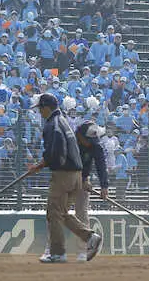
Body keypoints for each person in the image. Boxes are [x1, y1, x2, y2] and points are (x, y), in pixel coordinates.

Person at [28, 93, 101, 264]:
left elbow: (56, 151)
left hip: (63, 174)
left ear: (46, 107)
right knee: (61, 213)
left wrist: (40, 165)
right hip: (76, 175)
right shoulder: (63, 121)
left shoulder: (52, 124)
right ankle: (90, 237)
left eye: (40, 109)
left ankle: (58, 252)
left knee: (53, 213)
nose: (39, 112)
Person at [73, 122, 108, 262]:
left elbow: (101, 165)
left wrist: (104, 186)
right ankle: (53, 249)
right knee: (56, 211)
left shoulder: (96, 145)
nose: (92, 143)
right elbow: (65, 162)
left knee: (81, 212)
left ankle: (83, 249)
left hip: (83, 180)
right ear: (80, 136)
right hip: (66, 177)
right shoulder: (71, 142)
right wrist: (80, 178)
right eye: (89, 140)